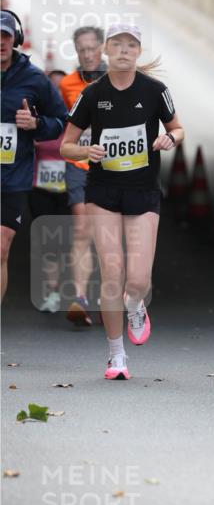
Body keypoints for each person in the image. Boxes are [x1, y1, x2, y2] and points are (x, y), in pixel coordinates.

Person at [60, 25, 184, 380]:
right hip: (103, 191)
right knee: (111, 272)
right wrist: (86, 150)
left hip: (143, 190)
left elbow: (178, 128)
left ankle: (135, 304)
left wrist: (169, 140)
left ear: (139, 52)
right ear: (106, 51)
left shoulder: (155, 90)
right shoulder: (92, 93)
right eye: (118, 45)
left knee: (138, 280)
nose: (124, 51)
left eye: (131, 45)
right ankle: (116, 356)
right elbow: (65, 145)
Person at [1, 10, 68, 300]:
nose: (0, 42)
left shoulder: (34, 79)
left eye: (5, 36)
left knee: (2, 245)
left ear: (16, 38)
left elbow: (62, 120)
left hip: (13, 175)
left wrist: (36, 124)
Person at [59, 26, 108, 327]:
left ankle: (108, 295)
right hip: (79, 164)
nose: (88, 55)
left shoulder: (116, 80)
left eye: (92, 48)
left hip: (111, 167)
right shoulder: (67, 84)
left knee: (107, 233)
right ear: (76, 51)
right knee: (81, 229)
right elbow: (62, 124)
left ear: (102, 48)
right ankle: (80, 298)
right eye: (82, 50)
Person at [28, 131, 68, 313]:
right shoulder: (39, 122)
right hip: (41, 190)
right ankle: (53, 292)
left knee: (70, 242)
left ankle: (78, 291)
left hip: (70, 191)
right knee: (49, 243)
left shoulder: (78, 122)